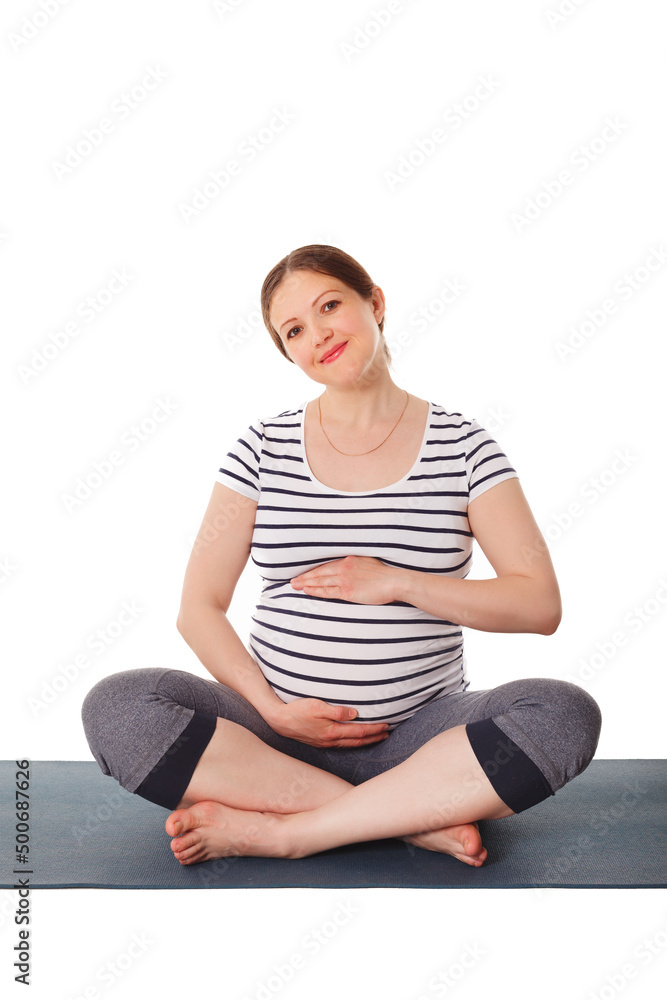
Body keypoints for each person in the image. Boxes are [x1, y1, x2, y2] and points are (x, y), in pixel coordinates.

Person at [81, 244, 602, 868]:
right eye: (294, 330)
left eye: (330, 306)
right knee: (117, 707)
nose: (318, 334)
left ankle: (292, 831)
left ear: (375, 303)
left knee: (565, 713)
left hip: (418, 741)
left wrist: (399, 582)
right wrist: (274, 709)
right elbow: (199, 608)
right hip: (271, 742)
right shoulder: (261, 447)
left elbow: (538, 604)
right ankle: (406, 819)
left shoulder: (465, 446)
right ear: (288, 352)